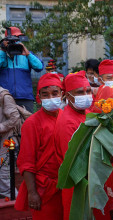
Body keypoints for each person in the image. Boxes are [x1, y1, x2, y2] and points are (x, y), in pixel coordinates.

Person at [15, 74, 64, 219]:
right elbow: (26, 162)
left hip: (66, 186)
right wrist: (32, 192)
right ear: (39, 97)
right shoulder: (32, 123)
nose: (51, 97)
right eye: (45, 94)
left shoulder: (66, 117)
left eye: (55, 93)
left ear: (62, 94)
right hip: (44, 188)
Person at [54, 71, 92, 220]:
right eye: (80, 92)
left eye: (88, 91)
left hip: (89, 183)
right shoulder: (68, 122)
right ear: (68, 96)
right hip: (77, 187)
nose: (86, 95)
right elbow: (75, 163)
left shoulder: (86, 112)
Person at [0, 27, 44, 113]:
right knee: (6, 125)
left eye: (17, 39)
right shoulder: (2, 54)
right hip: (5, 98)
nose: (15, 42)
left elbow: (39, 67)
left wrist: (28, 54)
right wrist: (2, 51)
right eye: (12, 40)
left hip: (25, 98)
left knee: (27, 124)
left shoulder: (26, 54)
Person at [0, 86, 21, 198]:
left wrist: (1, 127)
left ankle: (15, 209)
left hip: (6, 142)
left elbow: (15, 118)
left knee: (4, 180)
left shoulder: (4, 96)